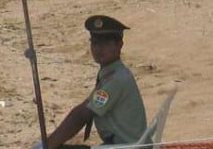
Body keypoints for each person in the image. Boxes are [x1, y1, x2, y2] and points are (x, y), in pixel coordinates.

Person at [34, 15, 147, 149]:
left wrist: (49, 145)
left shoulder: (116, 79)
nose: (99, 49)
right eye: (95, 43)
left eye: (106, 43)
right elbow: (87, 105)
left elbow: (82, 115)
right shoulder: (112, 73)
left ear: (119, 45)